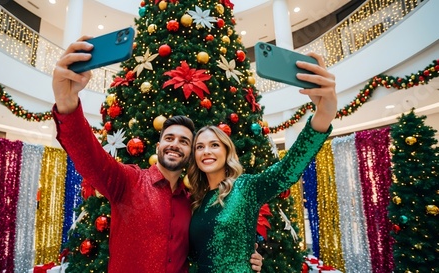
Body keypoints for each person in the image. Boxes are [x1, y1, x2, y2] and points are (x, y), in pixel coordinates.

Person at [51, 36, 263, 273]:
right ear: (158, 147)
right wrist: (67, 104)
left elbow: (204, 248)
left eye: (184, 142)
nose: (175, 145)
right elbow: (89, 158)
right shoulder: (128, 181)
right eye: (169, 139)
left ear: (191, 154)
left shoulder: (192, 202)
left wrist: (246, 255)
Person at [187, 52, 337, 272]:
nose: (206, 151)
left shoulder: (245, 188)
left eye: (214, 145)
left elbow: (287, 170)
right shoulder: (195, 201)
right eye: (200, 147)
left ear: (227, 151)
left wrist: (324, 113)